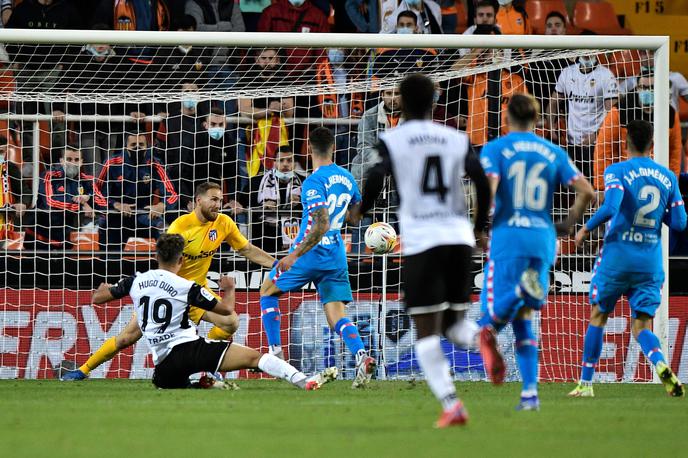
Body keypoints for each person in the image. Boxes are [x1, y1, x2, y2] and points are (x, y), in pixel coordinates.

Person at [351, 73, 491, 427]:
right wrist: (478, 227)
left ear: (402, 101)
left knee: (425, 331)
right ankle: (481, 339)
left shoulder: (394, 138)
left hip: (423, 240)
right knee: (455, 326)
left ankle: (451, 404)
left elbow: (376, 175)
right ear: (434, 102)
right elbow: (479, 178)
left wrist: (362, 210)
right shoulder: (455, 137)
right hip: (459, 237)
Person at [62, 182, 277, 381]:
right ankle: (83, 371)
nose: (217, 205)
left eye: (220, 200)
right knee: (127, 338)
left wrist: (276, 265)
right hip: (170, 291)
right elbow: (165, 266)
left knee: (230, 321)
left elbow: (247, 250)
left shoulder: (224, 223)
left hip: (196, 290)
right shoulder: (180, 228)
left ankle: (209, 366)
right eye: (213, 199)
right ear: (197, 201)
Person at [86, 233, 335, 390]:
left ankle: (199, 384)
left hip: (162, 367)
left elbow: (98, 297)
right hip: (190, 350)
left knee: (172, 384)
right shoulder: (186, 286)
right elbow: (226, 311)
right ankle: (304, 381)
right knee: (253, 358)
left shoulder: (136, 281)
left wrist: (107, 287)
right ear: (181, 260)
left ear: (156, 256)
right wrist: (229, 288)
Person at [476, 93, 594, 411]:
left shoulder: (496, 148)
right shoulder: (552, 151)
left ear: (506, 117)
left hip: (509, 235)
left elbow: (488, 188)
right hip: (542, 238)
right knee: (526, 317)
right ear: (536, 119)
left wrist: (479, 227)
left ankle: (491, 326)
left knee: (493, 317)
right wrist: (568, 223)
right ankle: (530, 394)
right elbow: (587, 191)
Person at [569, 120, 686, 398]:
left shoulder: (617, 171)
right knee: (642, 325)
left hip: (618, 257)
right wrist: (658, 216)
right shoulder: (668, 176)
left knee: (598, 315)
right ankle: (660, 364)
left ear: (625, 142)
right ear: (652, 144)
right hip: (649, 261)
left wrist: (584, 229)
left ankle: (586, 384)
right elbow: (680, 223)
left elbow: (611, 206)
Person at [258, 127, 376, 388]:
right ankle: (361, 355)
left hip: (309, 253)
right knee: (337, 315)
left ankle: (276, 353)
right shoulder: (346, 177)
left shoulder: (313, 181)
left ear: (309, 149)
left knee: (267, 291)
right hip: (336, 254)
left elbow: (320, 223)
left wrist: (294, 255)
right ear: (333, 147)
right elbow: (355, 216)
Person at [593, 71, 682, 190]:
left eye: (652, 87)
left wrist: (672, 186)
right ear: (637, 88)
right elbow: (604, 150)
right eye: (643, 87)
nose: (647, 91)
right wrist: (601, 187)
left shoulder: (670, 114)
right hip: (625, 181)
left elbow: (674, 153)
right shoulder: (620, 111)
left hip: (657, 182)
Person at [95, 131, 178, 248]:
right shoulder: (111, 163)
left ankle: (164, 265)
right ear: (125, 147)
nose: (137, 147)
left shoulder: (155, 164)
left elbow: (172, 194)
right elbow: (97, 193)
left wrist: (162, 205)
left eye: (141, 144)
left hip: (144, 215)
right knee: (110, 256)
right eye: (133, 144)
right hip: (116, 216)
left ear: (147, 146)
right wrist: (115, 204)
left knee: (164, 231)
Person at [548, 54, 618, 179]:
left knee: (592, 188)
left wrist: (596, 135)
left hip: (595, 145)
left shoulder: (606, 76)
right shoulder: (567, 73)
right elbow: (553, 102)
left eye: (589, 50)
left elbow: (612, 113)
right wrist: (552, 128)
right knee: (569, 190)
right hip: (570, 143)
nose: (586, 54)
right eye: (584, 50)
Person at [29, 146, 105, 249]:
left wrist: (88, 198)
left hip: (64, 239)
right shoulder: (49, 175)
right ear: (61, 161)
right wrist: (81, 204)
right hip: (38, 237)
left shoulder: (88, 180)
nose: (73, 163)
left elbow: (103, 203)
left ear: (82, 161)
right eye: (69, 159)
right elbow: (49, 202)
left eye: (77, 159)